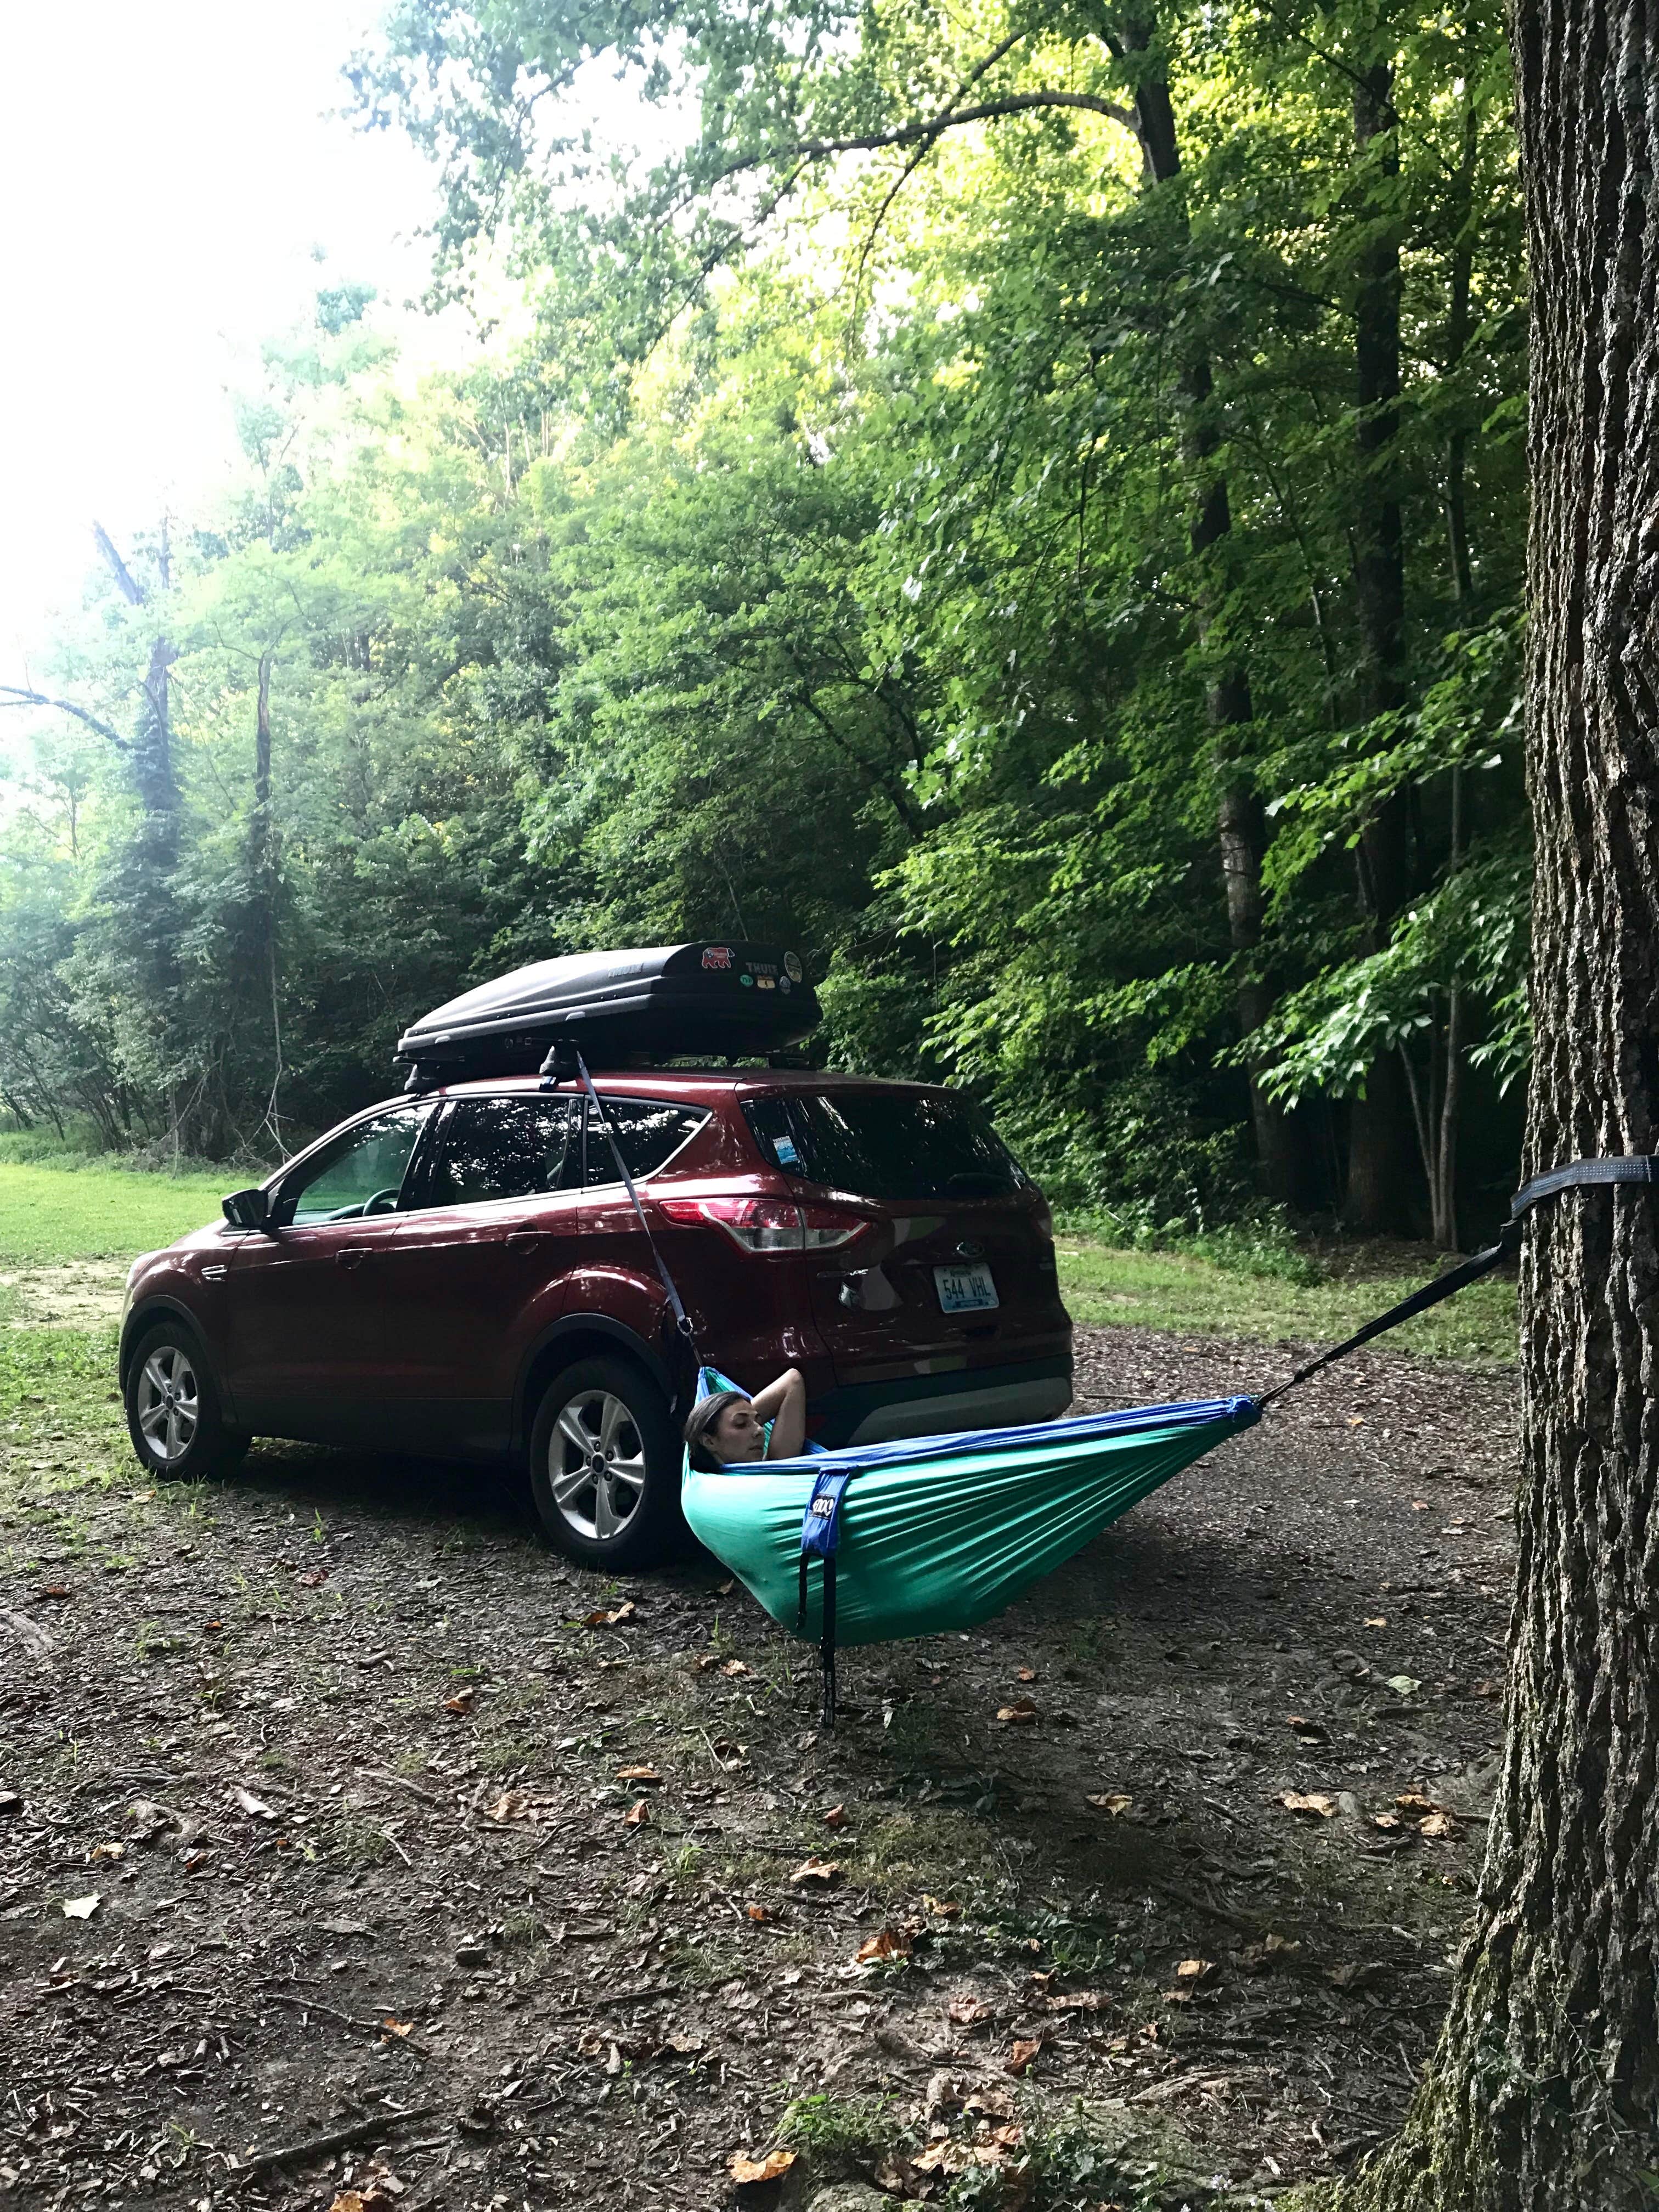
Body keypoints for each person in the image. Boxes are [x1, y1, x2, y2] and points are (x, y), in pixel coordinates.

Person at [684, 1367, 807, 1469]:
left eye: (760, 1423)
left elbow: (793, 1380)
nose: (761, 1430)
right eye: (741, 1424)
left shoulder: (775, 1467)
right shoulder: (706, 1489)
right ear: (709, 1441)